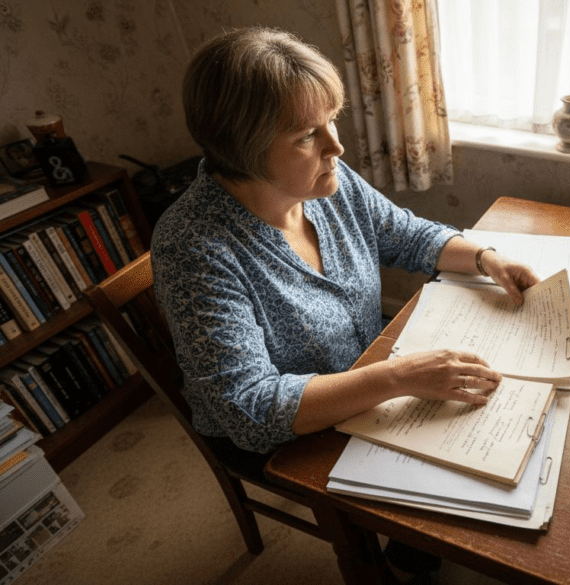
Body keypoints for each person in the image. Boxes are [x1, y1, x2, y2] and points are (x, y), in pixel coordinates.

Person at [151, 26, 539, 583]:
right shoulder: (195, 249)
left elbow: (405, 234)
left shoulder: (323, 181)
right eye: (308, 134)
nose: (337, 145)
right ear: (243, 147)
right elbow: (248, 409)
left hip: (364, 362)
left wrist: (486, 259)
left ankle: (413, 546)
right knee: (461, 470)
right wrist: (396, 377)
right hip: (280, 426)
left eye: (333, 120)